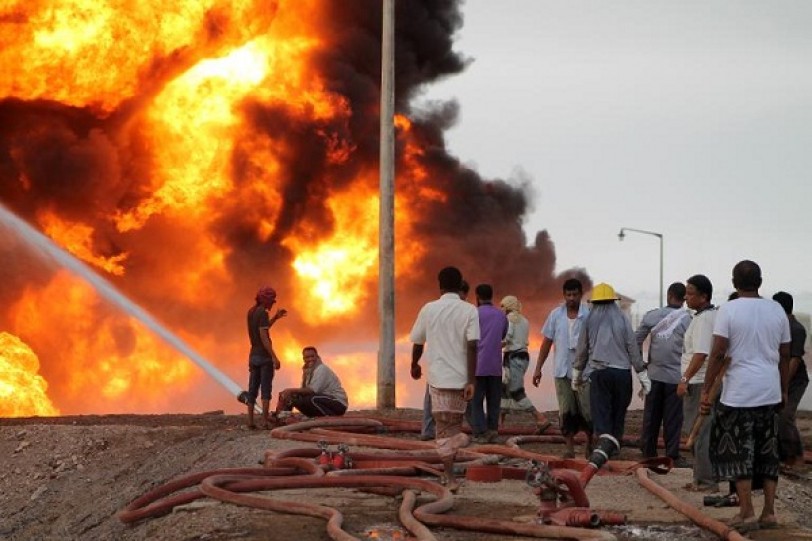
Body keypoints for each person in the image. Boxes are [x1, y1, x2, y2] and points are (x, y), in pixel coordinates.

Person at [703, 260, 790, 533]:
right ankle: (769, 513)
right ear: (760, 282)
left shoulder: (728, 310)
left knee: (738, 453)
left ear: (733, 283)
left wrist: (706, 390)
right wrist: (784, 389)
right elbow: (785, 354)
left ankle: (746, 512)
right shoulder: (776, 309)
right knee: (768, 453)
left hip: (739, 394)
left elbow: (718, 352)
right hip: (769, 391)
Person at [410, 266, 479, 492]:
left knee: (443, 432)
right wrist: (471, 380)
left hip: (438, 379)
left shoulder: (428, 309)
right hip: (460, 380)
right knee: (453, 430)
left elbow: (418, 341)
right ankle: (451, 469)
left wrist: (414, 363)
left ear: (439, 285)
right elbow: (472, 346)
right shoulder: (469, 310)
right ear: (460, 286)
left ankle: (449, 477)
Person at [572, 283, 649, 453]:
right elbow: (632, 347)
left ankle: (604, 449)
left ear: (595, 302)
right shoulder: (623, 319)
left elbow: (582, 349)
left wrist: (576, 374)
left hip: (600, 374)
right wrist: (641, 374)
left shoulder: (589, 320)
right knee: (618, 412)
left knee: (602, 412)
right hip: (622, 374)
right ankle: (615, 445)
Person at [533, 278, 592, 458]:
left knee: (587, 410)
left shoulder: (588, 315)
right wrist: (538, 368)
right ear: (564, 295)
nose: (571, 298)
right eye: (568, 295)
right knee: (565, 410)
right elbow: (546, 342)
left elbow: (596, 342)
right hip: (562, 371)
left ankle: (590, 444)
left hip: (584, 372)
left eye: (575, 294)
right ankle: (569, 448)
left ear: (581, 295)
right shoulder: (556, 315)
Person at [635, 282, 690, 467]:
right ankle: (672, 455)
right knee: (673, 419)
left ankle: (648, 452)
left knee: (651, 416)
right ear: (684, 299)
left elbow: (635, 341)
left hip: (654, 374)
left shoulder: (653, 316)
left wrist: (641, 365)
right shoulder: (689, 319)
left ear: (668, 295)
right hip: (677, 376)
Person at [677, 274, 719, 492]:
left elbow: (701, 353)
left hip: (699, 381)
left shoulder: (704, 320)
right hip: (701, 380)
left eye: (691, 293)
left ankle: (706, 481)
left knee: (699, 431)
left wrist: (685, 379)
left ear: (704, 296)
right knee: (698, 429)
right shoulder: (704, 316)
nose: (686, 297)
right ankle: (701, 477)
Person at [421, 280, 470, 441]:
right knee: (435, 398)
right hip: (446, 363)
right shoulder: (465, 312)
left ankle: (435, 431)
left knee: (455, 399)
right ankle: (431, 431)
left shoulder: (437, 309)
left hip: (449, 363)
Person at [499, 295, 552, 433]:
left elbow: (507, 338)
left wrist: (491, 346)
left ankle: (540, 418)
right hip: (523, 357)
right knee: (504, 389)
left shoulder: (509, 320)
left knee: (516, 391)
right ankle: (500, 423)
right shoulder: (525, 321)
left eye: (503, 306)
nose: (501, 309)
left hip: (513, 357)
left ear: (508, 306)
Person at [772, 291, 809, 470]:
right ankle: (783, 457)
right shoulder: (778, 326)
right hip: (779, 380)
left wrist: (783, 385)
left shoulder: (796, 329)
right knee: (779, 417)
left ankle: (797, 457)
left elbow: (794, 360)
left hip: (795, 381)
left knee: (786, 416)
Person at [468, 284, 508, 443]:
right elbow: (503, 334)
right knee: (494, 400)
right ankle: (493, 430)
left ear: (477, 297)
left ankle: (479, 431)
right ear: (492, 296)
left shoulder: (473, 314)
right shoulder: (501, 315)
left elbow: (468, 338)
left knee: (476, 401)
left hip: (477, 366)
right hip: (495, 366)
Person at [245, 286, 286, 429]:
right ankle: (264, 421)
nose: (272, 303)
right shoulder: (262, 312)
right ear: (266, 300)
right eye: (271, 300)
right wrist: (274, 356)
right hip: (263, 356)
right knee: (266, 390)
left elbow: (263, 327)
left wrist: (275, 317)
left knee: (252, 389)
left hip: (253, 355)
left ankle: (250, 422)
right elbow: (264, 336)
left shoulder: (251, 311)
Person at [274, 346, 348, 418]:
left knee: (311, 399)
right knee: (291, 396)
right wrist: (287, 394)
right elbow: (303, 391)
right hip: (321, 401)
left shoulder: (321, 369)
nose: (310, 359)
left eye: (312, 356)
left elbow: (312, 390)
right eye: (307, 357)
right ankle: (282, 417)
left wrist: (290, 390)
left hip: (337, 403)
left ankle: (328, 418)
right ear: (303, 359)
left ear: (317, 356)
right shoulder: (307, 371)